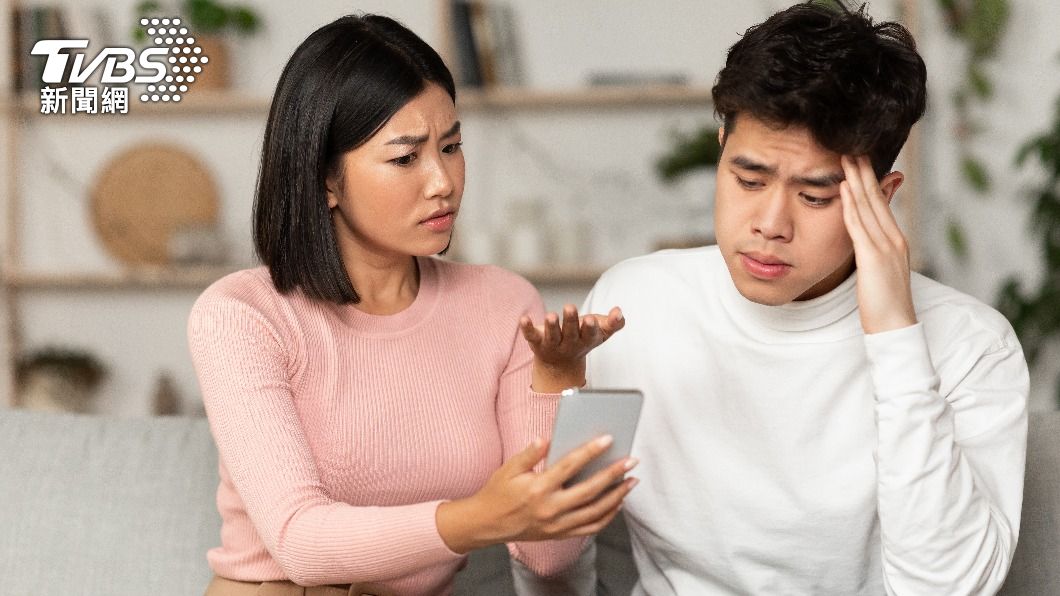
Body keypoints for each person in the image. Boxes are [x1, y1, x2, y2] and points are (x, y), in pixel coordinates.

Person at [580, 2, 1029, 594]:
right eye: (748, 179)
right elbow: (555, 538)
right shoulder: (633, 304)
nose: (770, 223)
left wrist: (895, 334)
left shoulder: (972, 344)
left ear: (883, 193)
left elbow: (946, 586)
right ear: (721, 148)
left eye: (815, 196)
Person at [187, 14, 633, 596]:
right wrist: (479, 518)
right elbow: (299, 542)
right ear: (325, 178)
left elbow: (547, 558)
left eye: (452, 147)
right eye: (406, 158)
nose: (443, 181)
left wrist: (558, 377)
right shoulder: (243, 315)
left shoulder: (504, 304)